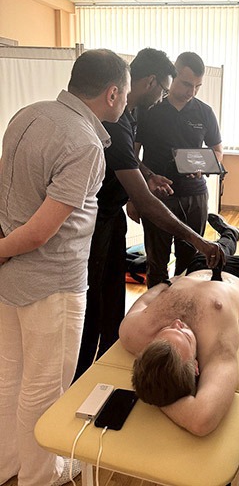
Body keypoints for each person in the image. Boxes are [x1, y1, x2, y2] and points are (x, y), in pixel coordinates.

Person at [0, 49, 130, 486]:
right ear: (112, 94)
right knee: (44, 388)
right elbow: (41, 232)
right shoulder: (84, 143)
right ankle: (40, 476)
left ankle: (8, 465)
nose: (125, 101)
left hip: (10, 279)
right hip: (52, 285)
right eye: (125, 94)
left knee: (8, 380)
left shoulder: (28, 114)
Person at [74, 48, 224, 381]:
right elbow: (136, 178)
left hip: (128, 212)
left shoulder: (130, 114)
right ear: (153, 83)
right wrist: (197, 238)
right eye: (178, 85)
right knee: (97, 297)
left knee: (114, 291)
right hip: (97, 219)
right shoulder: (123, 119)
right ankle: (84, 373)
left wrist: (148, 175)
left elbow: (129, 161)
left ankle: (111, 354)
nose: (187, 92)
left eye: (196, 87)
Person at [119, 214, 239, 436]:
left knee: (219, 247)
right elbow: (200, 421)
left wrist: (167, 283)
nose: (177, 323)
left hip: (196, 269)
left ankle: (230, 234)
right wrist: (158, 393)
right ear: (196, 366)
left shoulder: (132, 333)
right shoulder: (216, 351)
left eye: (167, 330)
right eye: (185, 335)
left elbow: (145, 300)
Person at [135, 51, 223, 286]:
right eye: (186, 84)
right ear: (172, 76)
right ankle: (155, 307)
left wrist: (202, 166)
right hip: (157, 197)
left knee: (191, 264)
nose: (191, 92)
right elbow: (131, 156)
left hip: (195, 196)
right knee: (157, 264)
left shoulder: (204, 112)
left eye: (197, 86)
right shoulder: (149, 108)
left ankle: (183, 307)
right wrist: (135, 196)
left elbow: (217, 150)